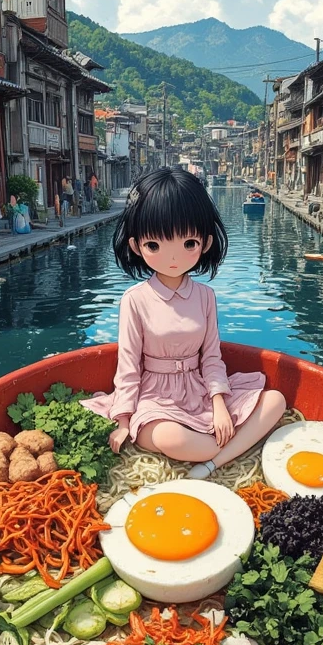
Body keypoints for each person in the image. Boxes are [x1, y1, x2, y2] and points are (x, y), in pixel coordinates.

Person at [79, 167, 287, 479]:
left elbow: (212, 358)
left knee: (275, 400)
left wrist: (219, 405)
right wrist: (123, 422)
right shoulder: (135, 300)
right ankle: (219, 452)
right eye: (155, 245)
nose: (173, 257)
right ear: (137, 246)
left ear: (204, 243)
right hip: (155, 397)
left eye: (188, 243)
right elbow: (129, 366)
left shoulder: (204, 296)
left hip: (200, 389)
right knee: (170, 438)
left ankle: (211, 464)